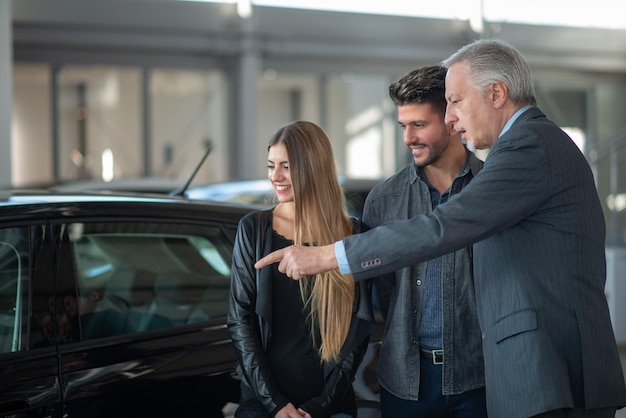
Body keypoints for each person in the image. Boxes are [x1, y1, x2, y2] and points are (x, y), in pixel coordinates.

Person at [255, 39, 626, 418]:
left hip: (547, 373)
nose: (451, 117)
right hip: (529, 374)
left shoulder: (527, 146)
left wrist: (325, 255)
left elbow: (444, 226)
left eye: (456, 101)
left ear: (496, 93)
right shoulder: (531, 145)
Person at [227, 120, 374, 418]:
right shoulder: (254, 229)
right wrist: (276, 404)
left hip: (329, 405)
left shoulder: (352, 234)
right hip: (264, 402)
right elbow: (240, 321)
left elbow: (358, 332)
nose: (275, 177)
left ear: (313, 168)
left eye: (286, 167)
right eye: (271, 166)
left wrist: (319, 408)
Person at [367, 65, 486, 417]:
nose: (408, 138)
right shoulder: (383, 200)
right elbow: (382, 291)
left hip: (479, 378)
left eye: (419, 125)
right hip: (406, 382)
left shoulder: (492, 189)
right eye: (403, 125)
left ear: (451, 120)